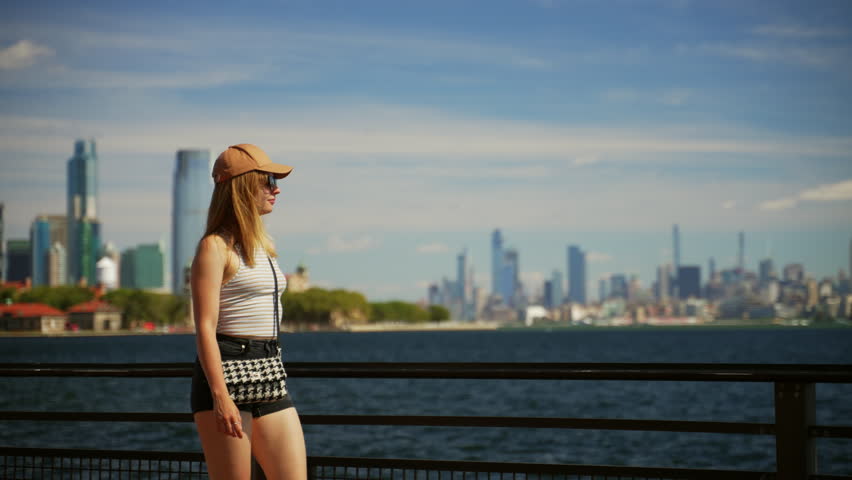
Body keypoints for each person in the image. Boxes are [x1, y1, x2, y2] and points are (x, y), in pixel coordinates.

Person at [190, 144, 306, 480]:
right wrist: (221, 398)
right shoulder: (214, 246)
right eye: (268, 181)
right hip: (227, 373)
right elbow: (205, 327)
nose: (276, 189)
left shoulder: (264, 245)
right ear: (242, 187)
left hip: (269, 369)